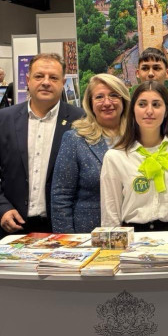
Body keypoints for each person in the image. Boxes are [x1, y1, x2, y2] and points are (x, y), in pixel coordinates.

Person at [0, 53, 84, 237]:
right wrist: (2, 209)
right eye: (39, 76)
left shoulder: (80, 120)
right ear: (28, 80)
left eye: (53, 78)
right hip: (14, 226)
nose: (46, 82)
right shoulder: (4, 119)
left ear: (63, 82)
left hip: (64, 227)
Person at [99, 81, 168, 230]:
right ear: (133, 110)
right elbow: (110, 214)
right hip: (133, 235)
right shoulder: (115, 157)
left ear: (166, 111)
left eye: (156, 105)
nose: (149, 111)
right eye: (142, 104)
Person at [51, 74, 130, 233]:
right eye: (99, 97)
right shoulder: (75, 139)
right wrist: (67, 241)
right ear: (90, 103)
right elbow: (61, 197)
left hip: (137, 233)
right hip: (88, 234)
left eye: (114, 95)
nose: (107, 102)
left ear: (124, 100)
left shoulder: (138, 137)